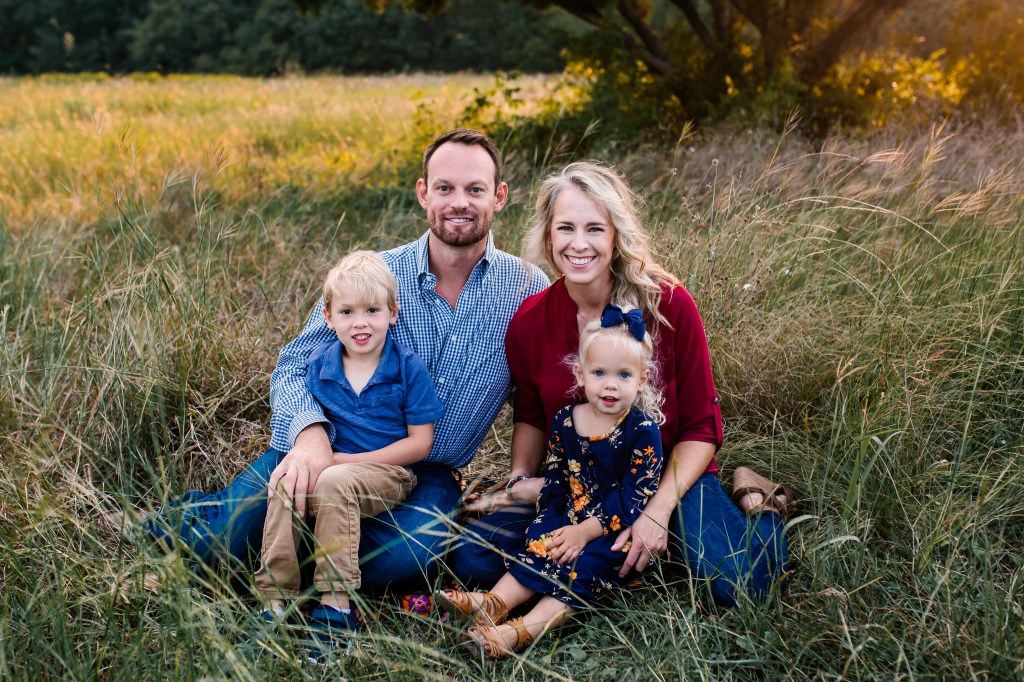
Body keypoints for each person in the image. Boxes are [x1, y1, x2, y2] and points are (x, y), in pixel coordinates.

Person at [138, 129, 549, 592]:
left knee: (399, 557)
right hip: (334, 444)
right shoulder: (375, 274)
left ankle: (288, 549)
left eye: (475, 189)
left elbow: (534, 397)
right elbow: (294, 363)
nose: (459, 202)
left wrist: (529, 478)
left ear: (499, 196)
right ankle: (196, 519)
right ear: (423, 193)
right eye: (444, 188)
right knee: (227, 541)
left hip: (425, 474)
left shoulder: (526, 288)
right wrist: (310, 436)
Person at [447, 161, 794, 607]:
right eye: (565, 228)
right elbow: (531, 414)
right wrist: (519, 481)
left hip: (663, 475)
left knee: (740, 586)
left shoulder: (670, 304)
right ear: (548, 235)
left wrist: (657, 510)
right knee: (474, 559)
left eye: (595, 228)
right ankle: (618, 555)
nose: (578, 244)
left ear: (616, 234)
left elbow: (701, 428)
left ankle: (761, 502)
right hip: (576, 484)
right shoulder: (530, 322)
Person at [434, 306, 664, 658]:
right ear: (580, 374)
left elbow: (635, 496)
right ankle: (492, 603)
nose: (610, 384)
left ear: (642, 379)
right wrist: (548, 524)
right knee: (541, 546)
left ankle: (517, 633)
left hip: (614, 531)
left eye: (623, 375)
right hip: (568, 516)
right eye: (599, 372)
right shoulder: (564, 421)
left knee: (580, 567)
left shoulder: (642, 431)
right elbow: (557, 481)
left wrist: (585, 531)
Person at [253, 250, 444, 638]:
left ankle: (336, 606)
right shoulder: (320, 365)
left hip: (388, 472)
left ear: (393, 313)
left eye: (372, 310)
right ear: (328, 317)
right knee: (287, 478)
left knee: (334, 482)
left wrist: (348, 462)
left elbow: (421, 443)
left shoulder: (407, 368)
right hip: (333, 465)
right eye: (347, 312)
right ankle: (275, 600)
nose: (360, 323)